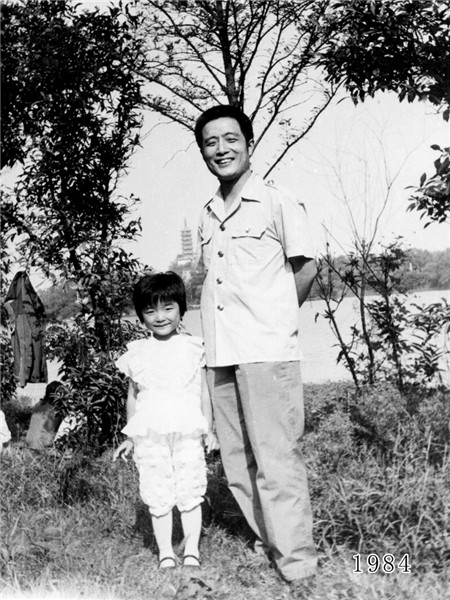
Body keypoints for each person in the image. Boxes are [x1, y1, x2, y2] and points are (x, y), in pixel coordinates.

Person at [194, 105, 318, 587]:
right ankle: (270, 540)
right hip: (220, 353)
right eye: (210, 142)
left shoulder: (277, 201)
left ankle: (299, 567)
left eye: (230, 139)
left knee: (275, 458)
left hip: (266, 350)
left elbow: (305, 269)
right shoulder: (208, 213)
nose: (221, 149)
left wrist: (276, 319)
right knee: (236, 460)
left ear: (249, 144)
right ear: (203, 152)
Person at [113, 272, 218, 570]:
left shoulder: (193, 347)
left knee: (190, 488)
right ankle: (165, 553)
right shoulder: (138, 352)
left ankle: (192, 551)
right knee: (157, 490)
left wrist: (208, 429)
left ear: (181, 308)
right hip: (151, 432)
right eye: (150, 310)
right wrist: (131, 436)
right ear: (141, 316)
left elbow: (203, 393)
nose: (160, 317)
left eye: (168, 308)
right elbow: (133, 396)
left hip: (187, 429)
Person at [25, 381, 64, 450]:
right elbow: (54, 430)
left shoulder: (38, 405)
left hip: (29, 443)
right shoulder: (56, 410)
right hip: (42, 446)